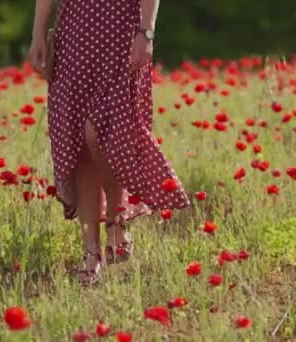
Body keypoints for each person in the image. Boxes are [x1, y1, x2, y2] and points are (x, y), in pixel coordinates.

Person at [28, 0, 190, 286]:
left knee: (103, 135)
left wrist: (146, 31)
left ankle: (117, 219)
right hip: (73, 37)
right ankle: (92, 252)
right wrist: (37, 34)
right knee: (79, 145)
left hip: (120, 35)